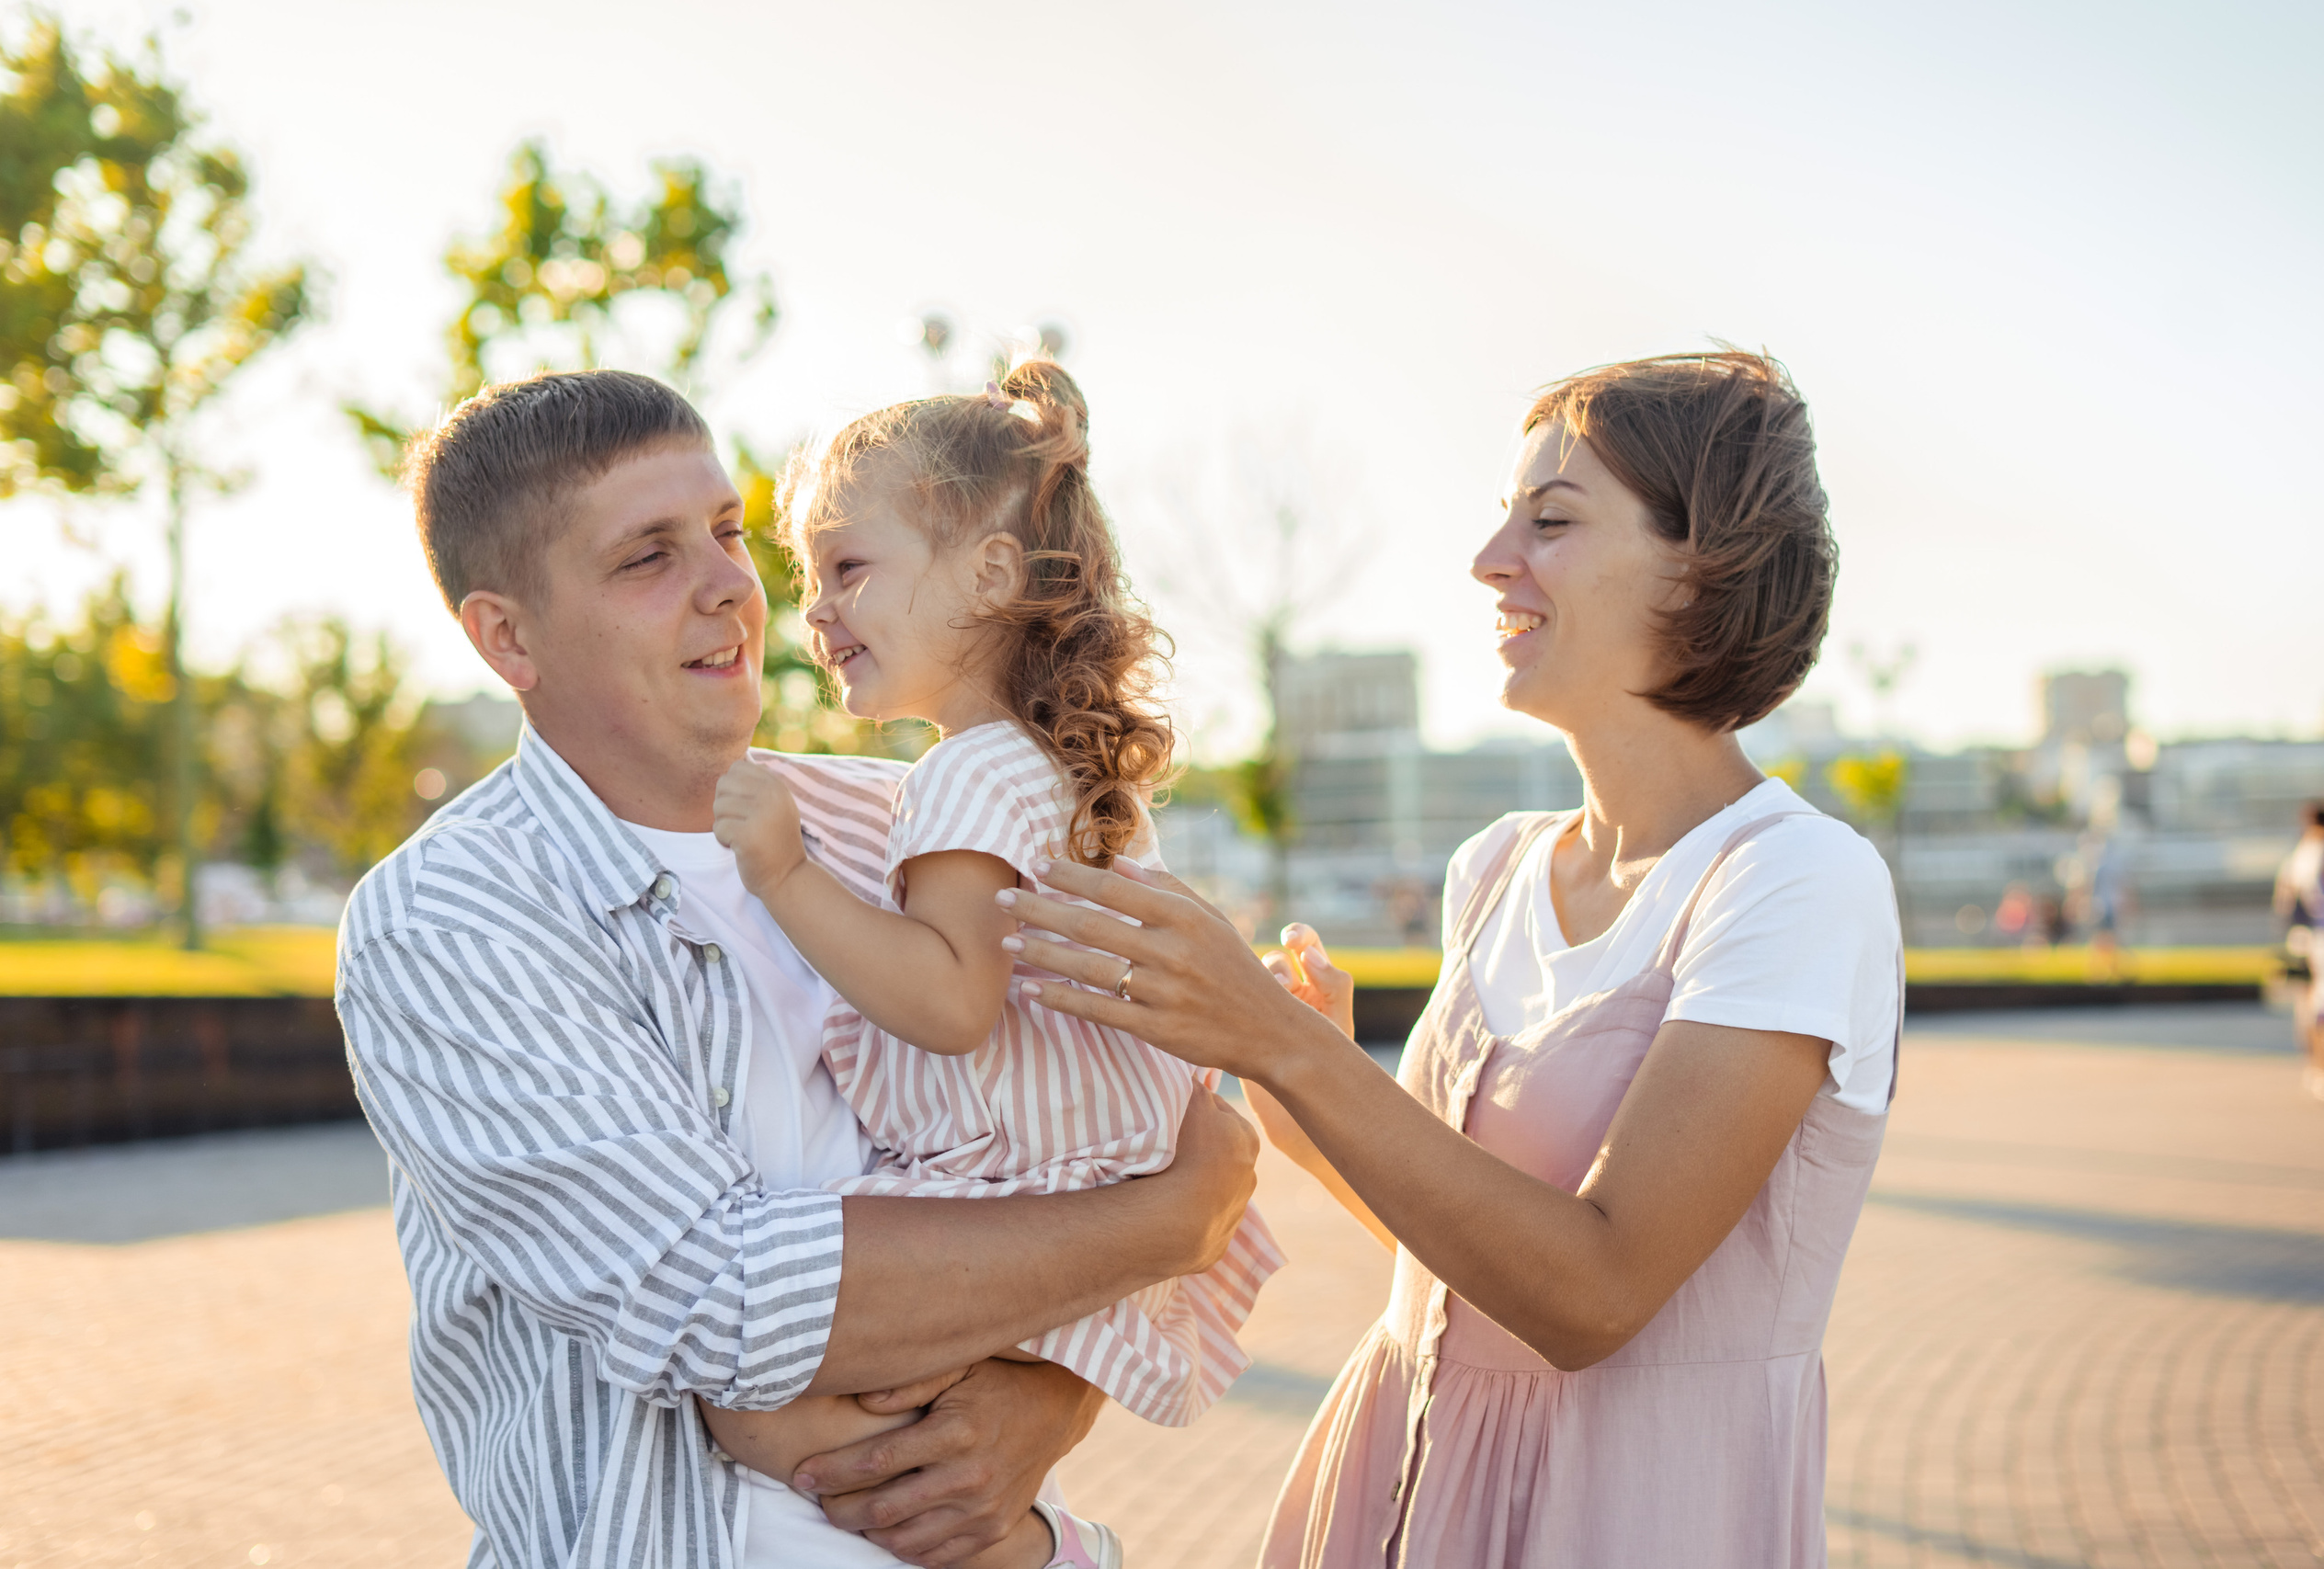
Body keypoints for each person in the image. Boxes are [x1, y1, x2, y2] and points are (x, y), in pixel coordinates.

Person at [335, 369, 1259, 1569]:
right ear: (508, 635)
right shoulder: (453, 914)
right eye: (647, 557)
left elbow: (1143, 1080)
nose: (731, 583)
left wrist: (1047, 1398)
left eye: (725, 531)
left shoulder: (909, 817)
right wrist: (1168, 1222)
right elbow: (714, 1298)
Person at [993, 351, 1901, 1566]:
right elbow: (1464, 1259)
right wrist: (1300, 1079)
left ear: (1701, 563)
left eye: (1552, 520)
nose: (1490, 558)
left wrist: (1282, 1041)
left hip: (1636, 1516)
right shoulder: (1499, 867)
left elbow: (1594, 1291)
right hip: (1401, 1486)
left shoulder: (1794, 880)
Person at [702, 364, 1282, 1513]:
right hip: (1107, 1168)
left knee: (751, 1392)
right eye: (811, 579)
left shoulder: (964, 774)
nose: (815, 612)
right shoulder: (1047, 767)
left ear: (992, 575)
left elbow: (950, 1001)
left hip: (1026, 1188)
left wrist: (783, 872)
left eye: (849, 569)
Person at [2275, 801, 2324, 1101]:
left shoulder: (2301, 852)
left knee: (2311, 1005)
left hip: (2309, 936)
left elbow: (2285, 898)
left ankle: (2318, 1069)